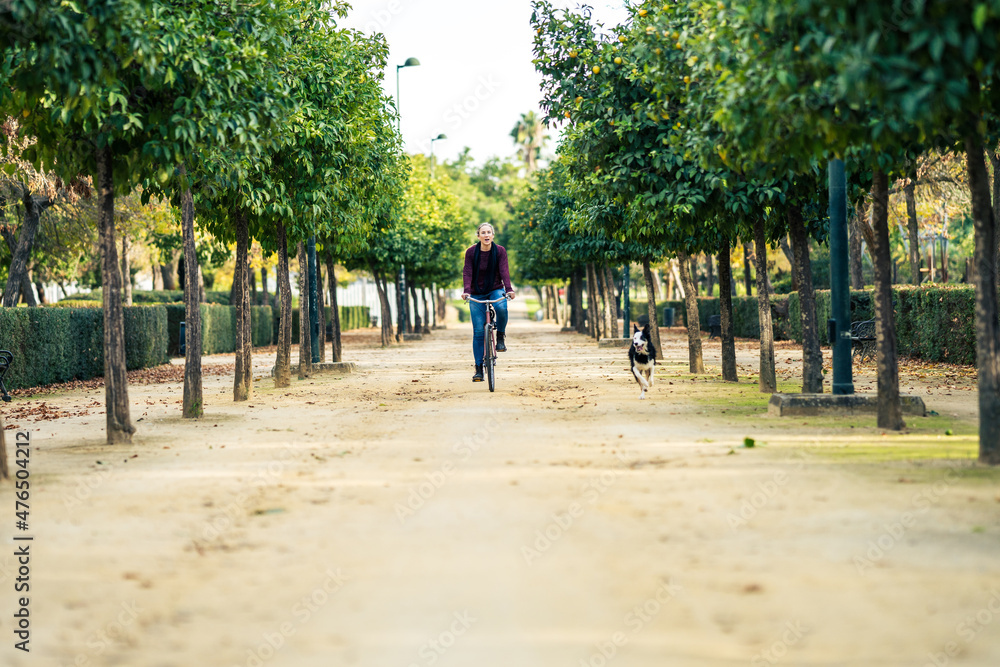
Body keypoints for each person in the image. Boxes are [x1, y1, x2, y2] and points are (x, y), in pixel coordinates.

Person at [461, 223, 515, 382]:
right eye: (483, 232)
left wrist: (509, 289)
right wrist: (466, 291)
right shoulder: (471, 252)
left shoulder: (500, 251)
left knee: (502, 307)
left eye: (489, 232)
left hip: (495, 288)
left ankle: (500, 336)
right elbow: (467, 272)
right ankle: (478, 368)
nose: (486, 235)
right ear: (478, 236)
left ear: (493, 235)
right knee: (478, 331)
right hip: (476, 293)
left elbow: (504, 270)